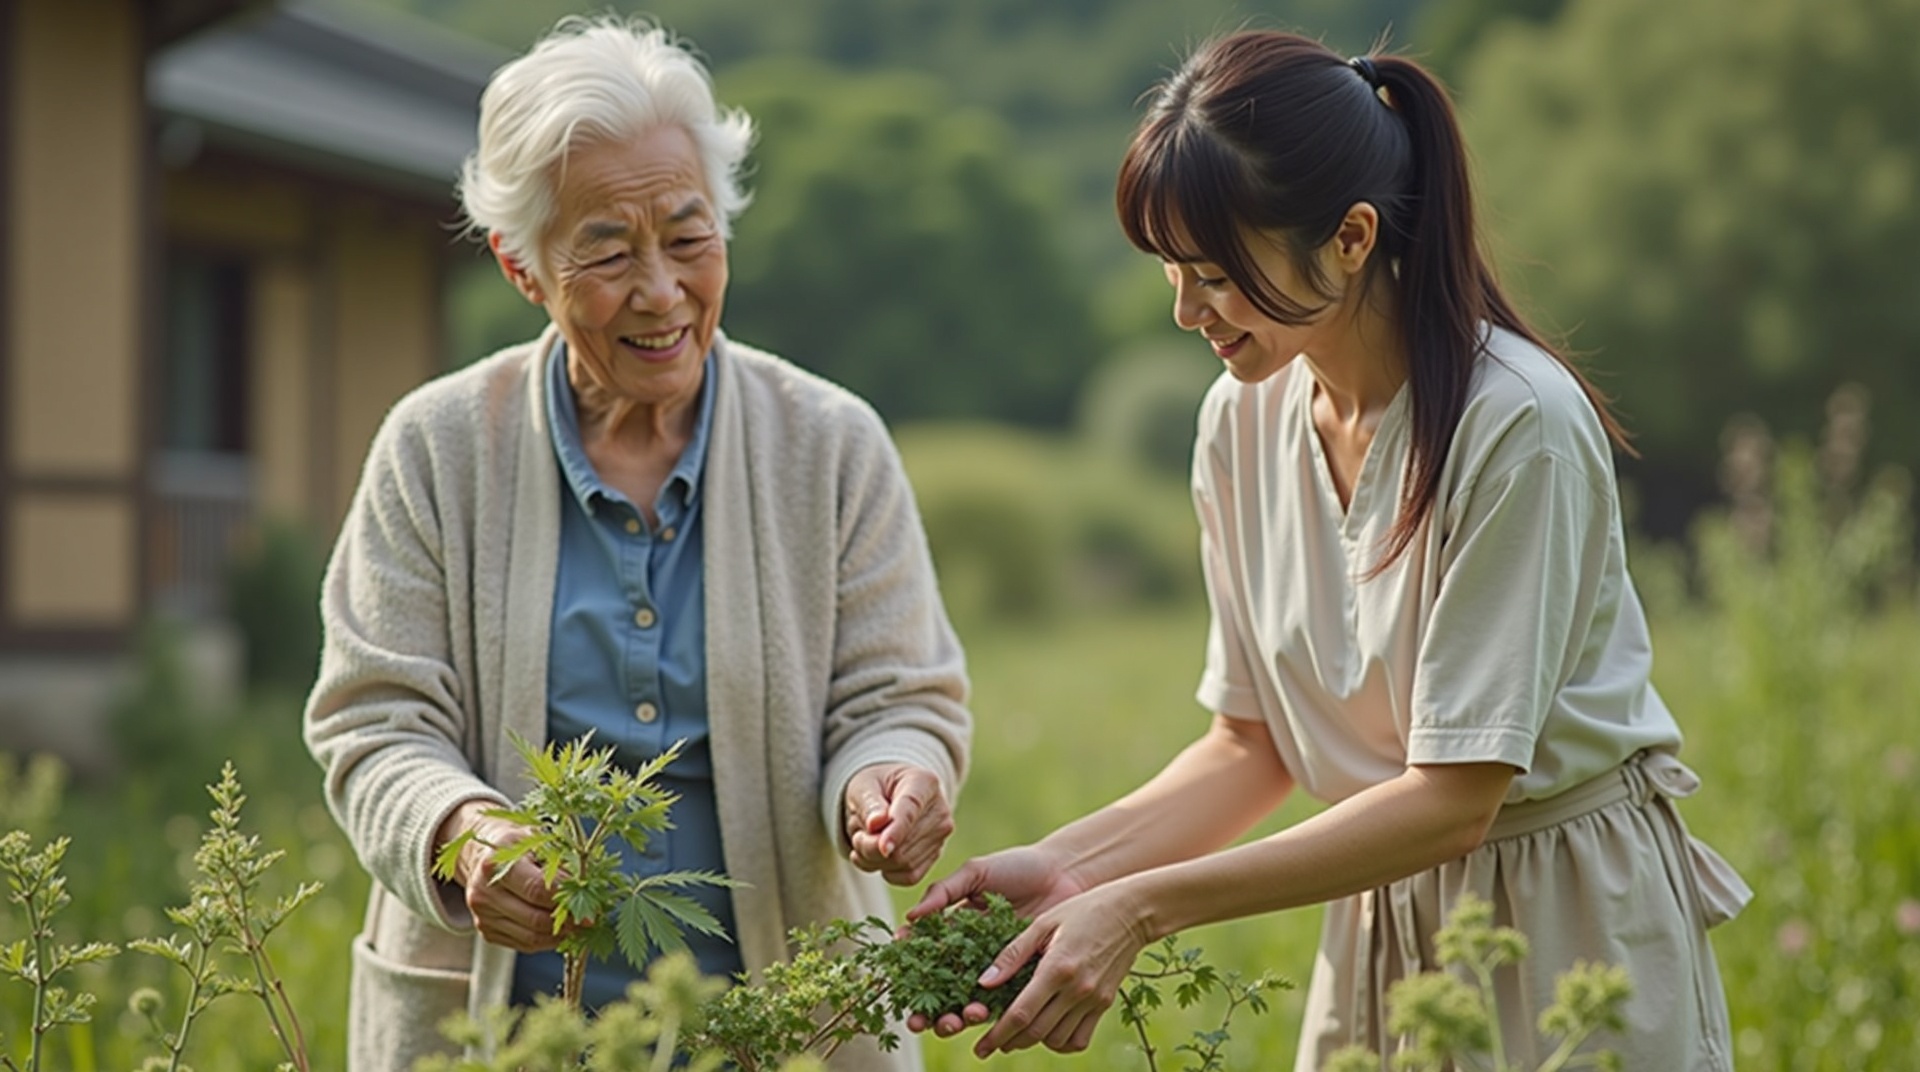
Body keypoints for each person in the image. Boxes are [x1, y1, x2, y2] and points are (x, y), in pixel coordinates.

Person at [908, 30, 1750, 1072]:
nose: (1185, 312)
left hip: (1561, 923)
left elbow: (1454, 798)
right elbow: (1251, 744)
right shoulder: (1240, 420)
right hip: (1379, 921)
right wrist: (1069, 866)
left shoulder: (1515, 422)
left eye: (1214, 274)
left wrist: (1140, 910)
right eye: (1174, 272)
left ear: (1351, 237)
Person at [303, 16, 970, 1072]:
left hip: (776, 1031)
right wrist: (462, 832)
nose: (660, 289)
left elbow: (899, 696)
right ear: (524, 269)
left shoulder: (832, 445)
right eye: (608, 251)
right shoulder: (435, 450)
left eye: (688, 237)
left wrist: (889, 777)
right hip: (505, 1033)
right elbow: (374, 721)